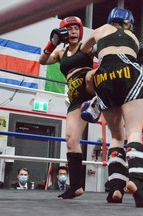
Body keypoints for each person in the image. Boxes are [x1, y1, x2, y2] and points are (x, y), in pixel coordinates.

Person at [81, 8, 143, 208]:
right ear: (129, 23)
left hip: (103, 75)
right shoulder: (135, 38)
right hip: (129, 70)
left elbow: (84, 50)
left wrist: (98, 52)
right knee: (134, 131)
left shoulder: (100, 30)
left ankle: (115, 186)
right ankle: (137, 181)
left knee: (116, 136)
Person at [39, 16, 95, 199]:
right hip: (74, 99)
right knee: (71, 140)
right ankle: (76, 186)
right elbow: (42, 61)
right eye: (69, 29)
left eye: (76, 28)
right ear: (63, 32)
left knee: (91, 76)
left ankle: (100, 99)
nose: (73, 32)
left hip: (88, 92)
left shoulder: (85, 47)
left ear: (81, 31)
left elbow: (103, 52)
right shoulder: (61, 54)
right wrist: (52, 43)